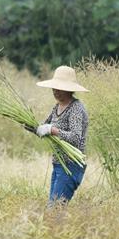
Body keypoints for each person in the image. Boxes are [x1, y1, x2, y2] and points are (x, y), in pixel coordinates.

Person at [31, 66, 90, 204]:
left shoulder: (76, 108)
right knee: (54, 208)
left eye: (59, 88)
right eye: (54, 88)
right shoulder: (57, 106)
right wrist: (27, 124)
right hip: (59, 164)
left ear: (69, 89)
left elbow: (75, 138)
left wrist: (53, 130)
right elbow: (42, 128)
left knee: (55, 209)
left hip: (71, 166)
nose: (55, 91)